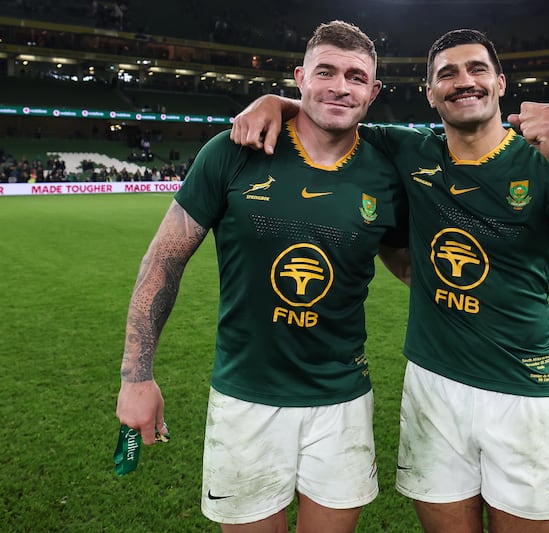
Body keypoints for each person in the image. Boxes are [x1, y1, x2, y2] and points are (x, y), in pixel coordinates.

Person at [231, 28, 549, 533]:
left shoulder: (542, 164)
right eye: (447, 74)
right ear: (430, 93)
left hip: (520, 390)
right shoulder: (407, 150)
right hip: (432, 385)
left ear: (500, 83)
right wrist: (275, 101)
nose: (463, 81)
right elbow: (333, 111)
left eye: (476, 69)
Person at [115, 20, 408, 533]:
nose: (341, 86)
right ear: (299, 77)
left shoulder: (388, 167)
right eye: (326, 72)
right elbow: (164, 260)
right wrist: (135, 377)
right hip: (245, 399)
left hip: (342, 402)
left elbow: (410, 262)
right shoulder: (233, 150)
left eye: (356, 77)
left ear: (375, 90)